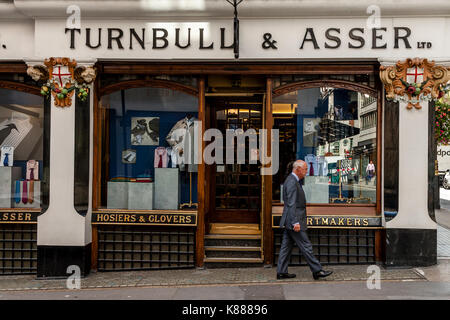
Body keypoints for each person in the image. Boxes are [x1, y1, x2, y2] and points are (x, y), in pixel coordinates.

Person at [277, 160, 333, 280]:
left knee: (286, 247)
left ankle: (281, 271)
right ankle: (317, 270)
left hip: (291, 220)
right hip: (295, 220)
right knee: (306, 245)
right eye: (305, 169)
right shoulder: (292, 182)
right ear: (297, 169)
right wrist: (295, 222)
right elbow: (291, 204)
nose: (307, 171)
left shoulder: (292, 180)